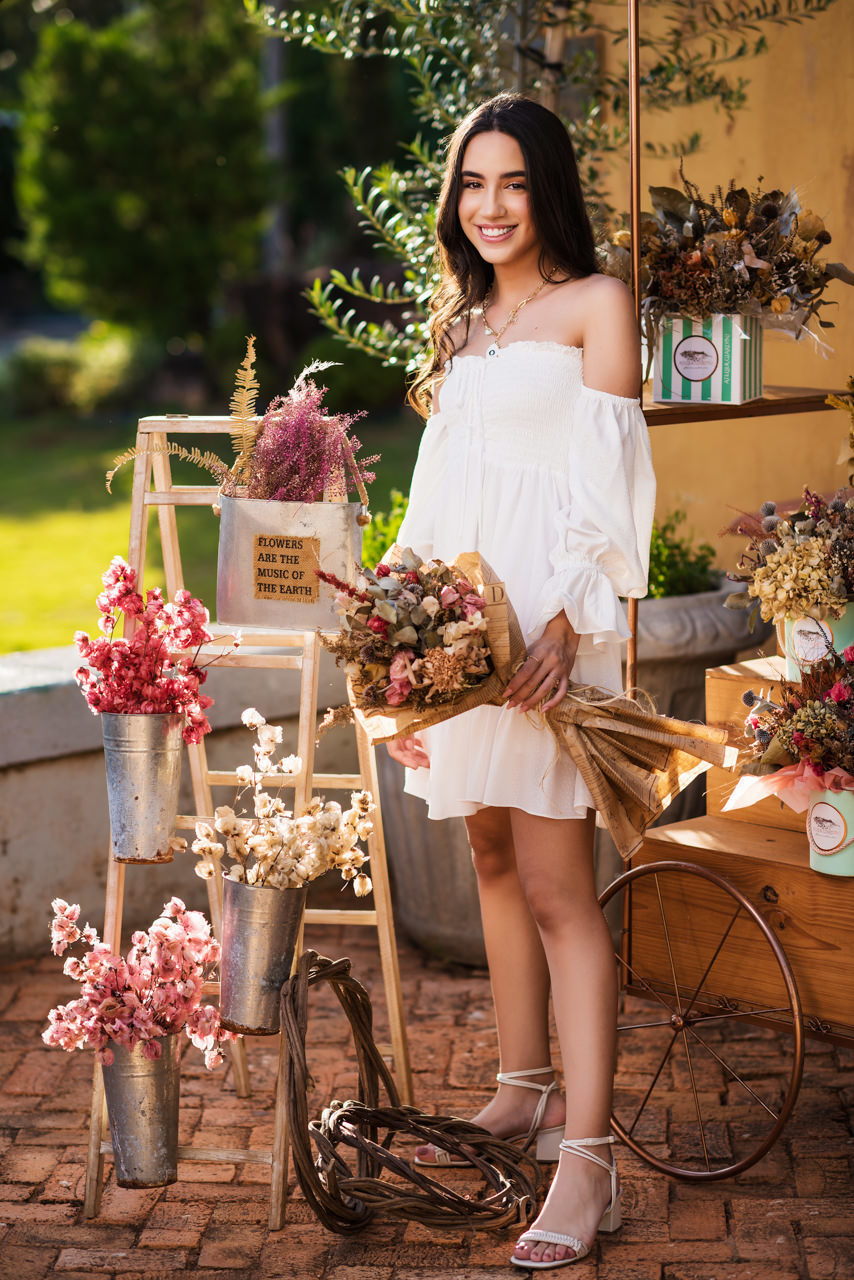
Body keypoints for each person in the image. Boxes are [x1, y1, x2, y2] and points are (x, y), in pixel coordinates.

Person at [385, 92, 656, 1269]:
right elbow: (435, 506)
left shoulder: (597, 306)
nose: (489, 207)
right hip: (465, 644)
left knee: (557, 884)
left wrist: (560, 619)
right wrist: (398, 664)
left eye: (512, 183)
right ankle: (521, 1086)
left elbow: (616, 490)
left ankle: (586, 1158)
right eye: (471, 185)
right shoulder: (460, 331)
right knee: (490, 848)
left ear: (547, 189)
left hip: (552, 638)